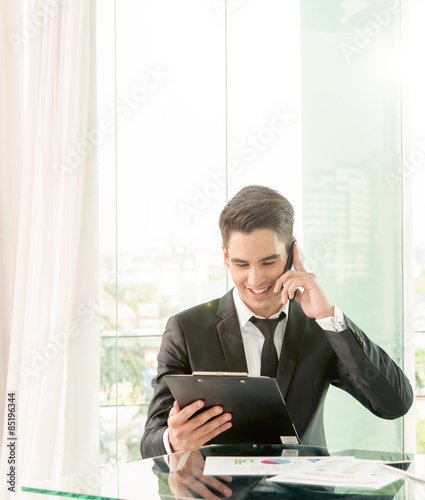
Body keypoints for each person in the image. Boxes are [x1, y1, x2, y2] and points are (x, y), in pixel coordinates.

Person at [141, 185, 413, 459]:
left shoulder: (321, 327)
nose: (255, 280)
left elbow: (393, 404)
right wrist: (173, 441)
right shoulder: (186, 329)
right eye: (241, 265)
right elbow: (150, 442)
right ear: (225, 257)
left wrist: (328, 316)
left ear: (293, 252)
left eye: (268, 262)